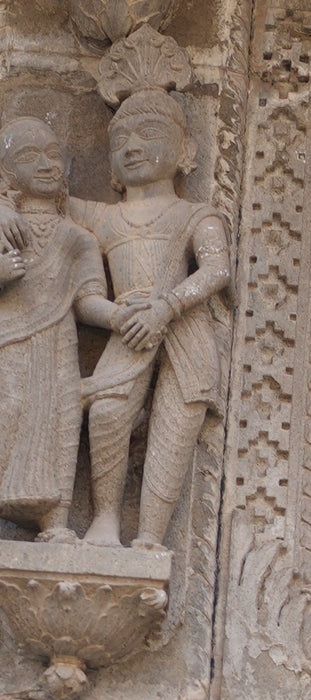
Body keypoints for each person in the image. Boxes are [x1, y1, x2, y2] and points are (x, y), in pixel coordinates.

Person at [71, 89, 229, 551]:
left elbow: (217, 270)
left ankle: (151, 536)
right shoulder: (104, 218)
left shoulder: (195, 214)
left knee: (175, 427)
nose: (133, 146)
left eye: (149, 133)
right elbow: (38, 201)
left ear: (186, 151)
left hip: (180, 326)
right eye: (120, 140)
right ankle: (104, 520)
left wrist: (168, 306)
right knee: (106, 412)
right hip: (128, 325)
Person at [0, 119, 114, 541]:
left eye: (53, 155)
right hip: (9, 339)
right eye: (29, 156)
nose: (46, 164)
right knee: (6, 415)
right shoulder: (3, 225)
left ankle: (57, 521)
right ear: (6, 173)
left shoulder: (77, 238)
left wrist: (120, 317)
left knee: (60, 418)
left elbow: (87, 301)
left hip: (57, 342)